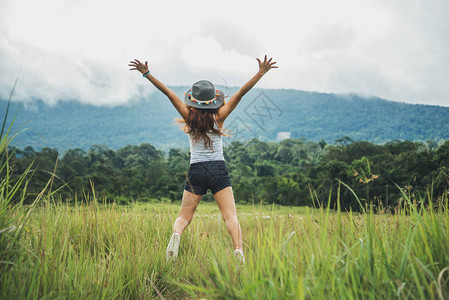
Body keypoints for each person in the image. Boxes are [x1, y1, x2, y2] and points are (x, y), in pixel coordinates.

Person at [128, 55, 277, 264]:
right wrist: (261, 73)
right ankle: (238, 250)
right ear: (213, 101)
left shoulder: (188, 116)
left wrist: (147, 74)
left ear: (193, 101)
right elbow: (242, 93)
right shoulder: (220, 116)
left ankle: (177, 235)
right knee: (230, 216)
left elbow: (169, 94)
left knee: (184, 217)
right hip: (218, 171)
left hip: (196, 172)